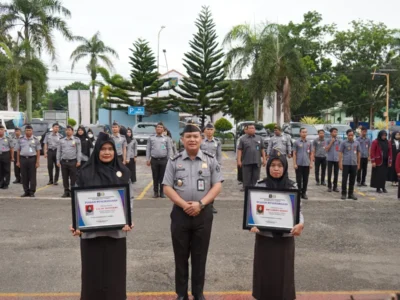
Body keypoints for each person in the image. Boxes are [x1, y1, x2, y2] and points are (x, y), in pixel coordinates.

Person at [163, 121, 223, 300]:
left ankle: (198, 293)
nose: (192, 139)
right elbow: (167, 187)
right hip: (180, 214)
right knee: (180, 257)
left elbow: (217, 185)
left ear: (201, 139)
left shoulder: (210, 160)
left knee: (199, 256)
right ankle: (181, 294)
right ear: (182, 139)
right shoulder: (173, 161)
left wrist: (201, 204)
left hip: (203, 214)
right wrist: (184, 205)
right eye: (188, 136)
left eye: (195, 136)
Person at [69, 132, 134, 300]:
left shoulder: (123, 172)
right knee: (92, 276)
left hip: (116, 234)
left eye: (110, 149)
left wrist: (128, 220)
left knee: (115, 276)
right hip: (91, 235)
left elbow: (129, 200)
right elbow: (77, 202)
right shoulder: (85, 172)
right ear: (96, 151)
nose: (107, 152)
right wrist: (76, 224)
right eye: (103, 149)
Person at [251, 152, 304, 300]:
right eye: (273, 165)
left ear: (285, 167)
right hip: (264, 238)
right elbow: (254, 211)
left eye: (280, 165)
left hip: (285, 238)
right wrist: (252, 223)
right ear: (267, 167)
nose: (276, 169)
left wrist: (301, 224)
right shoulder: (260, 185)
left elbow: (298, 210)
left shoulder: (292, 186)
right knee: (264, 272)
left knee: (284, 274)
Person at [146, 122, 172, 198]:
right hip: (154, 160)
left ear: (163, 129)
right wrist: (148, 159)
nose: (159, 128)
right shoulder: (151, 138)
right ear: (155, 129)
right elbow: (148, 149)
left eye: (161, 127)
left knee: (163, 177)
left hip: (164, 160)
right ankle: (155, 192)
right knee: (155, 177)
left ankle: (162, 192)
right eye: (158, 127)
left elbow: (169, 149)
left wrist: (169, 159)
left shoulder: (166, 138)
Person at [201, 122, 222, 213]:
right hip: (201, 166)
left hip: (213, 167)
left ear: (214, 131)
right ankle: (202, 204)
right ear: (204, 130)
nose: (209, 132)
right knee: (201, 185)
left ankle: (211, 205)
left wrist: (219, 165)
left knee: (212, 186)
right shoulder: (201, 141)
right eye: (208, 129)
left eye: (211, 129)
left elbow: (219, 155)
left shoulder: (217, 141)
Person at [237, 124, 266, 191]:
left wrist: (264, 159)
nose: (251, 129)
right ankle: (246, 188)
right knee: (246, 176)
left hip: (256, 161)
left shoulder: (259, 138)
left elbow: (262, 149)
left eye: (253, 128)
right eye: (250, 128)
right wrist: (239, 160)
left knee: (256, 176)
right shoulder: (243, 139)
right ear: (247, 130)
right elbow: (240, 150)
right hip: (246, 161)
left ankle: (255, 187)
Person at [16, 124, 41, 197]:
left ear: (32, 131)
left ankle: (32, 191)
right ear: (24, 131)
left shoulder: (36, 140)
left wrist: (37, 162)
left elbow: (38, 151)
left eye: (29, 130)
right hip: (23, 159)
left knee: (32, 176)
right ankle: (26, 191)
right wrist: (18, 161)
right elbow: (18, 150)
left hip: (32, 159)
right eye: (27, 130)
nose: (28, 132)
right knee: (24, 176)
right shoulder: (21, 139)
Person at [57, 126, 81, 198]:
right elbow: (59, 151)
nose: (68, 131)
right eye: (66, 130)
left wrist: (78, 161)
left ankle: (72, 191)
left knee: (73, 178)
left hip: (73, 161)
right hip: (64, 161)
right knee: (65, 177)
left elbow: (78, 151)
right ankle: (66, 191)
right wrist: (58, 161)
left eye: (69, 130)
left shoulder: (76, 140)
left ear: (72, 131)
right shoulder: (61, 140)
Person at [339, 129, 361, 200]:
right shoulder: (343, 143)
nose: (351, 136)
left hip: (354, 164)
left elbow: (358, 153)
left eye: (352, 135)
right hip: (345, 164)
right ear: (347, 135)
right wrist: (340, 163)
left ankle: (350, 194)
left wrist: (358, 163)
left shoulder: (357, 143)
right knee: (344, 179)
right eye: (349, 135)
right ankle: (343, 193)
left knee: (352, 180)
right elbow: (340, 153)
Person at [293, 128, 313, 199]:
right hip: (299, 164)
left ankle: (304, 192)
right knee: (298, 179)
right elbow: (294, 153)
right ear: (300, 133)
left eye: (305, 132)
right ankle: (299, 192)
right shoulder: (296, 142)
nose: (304, 133)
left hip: (306, 164)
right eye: (303, 132)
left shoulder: (309, 143)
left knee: (305, 179)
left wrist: (311, 163)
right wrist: (294, 163)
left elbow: (311, 153)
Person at [325, 127, 341, 192]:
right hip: (330, 159)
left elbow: (340, 150)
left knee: (336, 173)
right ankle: (329, 186)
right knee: (329, 173)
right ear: (331, 133)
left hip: (336, 159)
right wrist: (331, 142)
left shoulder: (339, 141)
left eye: (336, 132)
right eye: (334, 132)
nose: (335, 133)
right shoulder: (327, 140)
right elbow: (326, 149)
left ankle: (335, 186)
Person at [0, 125, 14, 189]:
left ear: (4, 130)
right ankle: (1, 183)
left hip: (6, 154)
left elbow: (11, 148)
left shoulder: (8, 138)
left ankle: (6, 183)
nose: (0, 131)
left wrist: (12, 156)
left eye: (1, 129)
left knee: (7, 170)